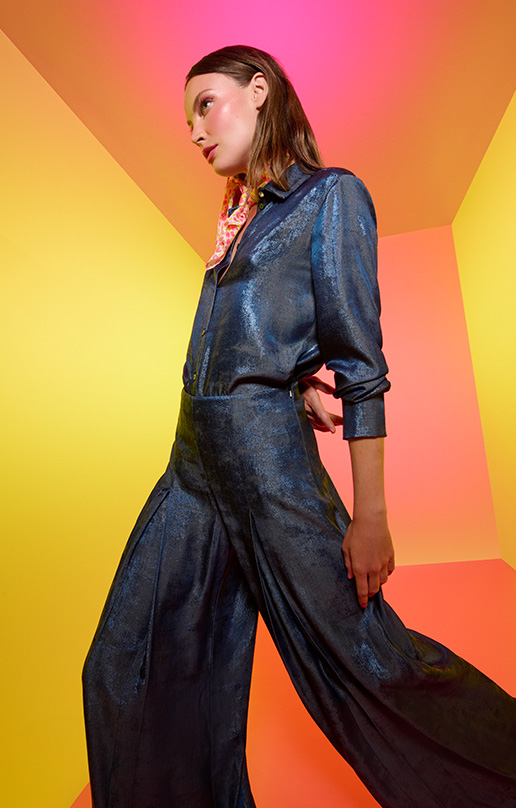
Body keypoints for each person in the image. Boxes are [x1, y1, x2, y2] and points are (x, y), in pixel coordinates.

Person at [83, 45, 516, 808]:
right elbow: (256, 336)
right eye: (187, 120)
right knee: (125, 665)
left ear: (259, 91)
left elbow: (362, 367)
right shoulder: (238, 216)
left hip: (266, 468)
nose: (195, 131)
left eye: (206, 104)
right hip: (191, 467)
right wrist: (289, 381)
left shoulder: (331, 197)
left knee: (369, 666)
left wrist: (371, 517)